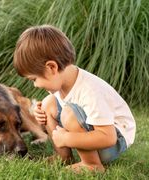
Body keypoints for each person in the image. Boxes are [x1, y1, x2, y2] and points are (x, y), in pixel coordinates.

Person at [13, 25, 136, 173]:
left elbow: (108, 137)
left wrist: (67, 139)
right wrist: (41, 115)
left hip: (115, 140)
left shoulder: (90, 91)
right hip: (100, 134)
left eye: (34, 79)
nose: (35, 85)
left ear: (51, 67)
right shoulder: (63, 82)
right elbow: (56, 107)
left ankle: (92, 164)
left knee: (69, 114)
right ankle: (64, 157)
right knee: (47, 104)